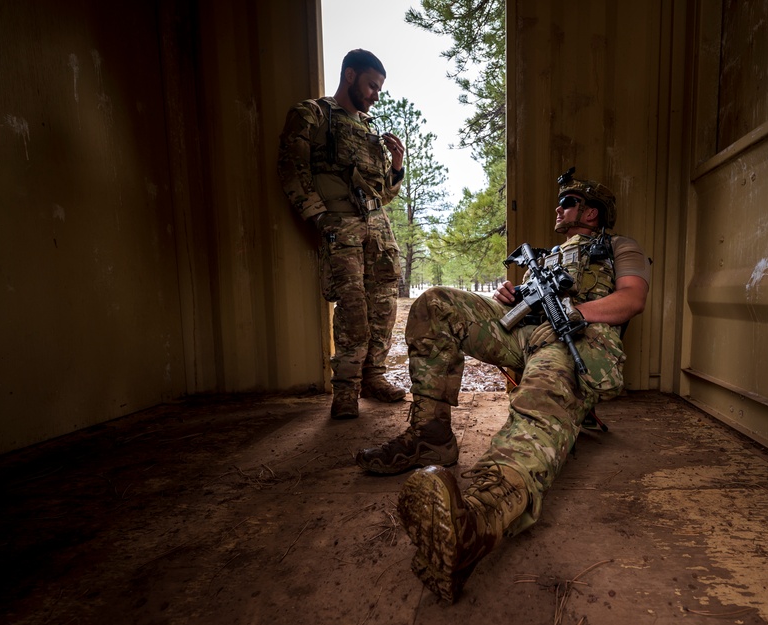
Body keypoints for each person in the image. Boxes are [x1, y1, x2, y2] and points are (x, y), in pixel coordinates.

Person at [356, 168, 651, 602]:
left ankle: (478, 520)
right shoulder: (547, 255)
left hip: (573, 337)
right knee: (436, 304)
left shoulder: (618, 246)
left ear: (590, 213)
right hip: (522, 331)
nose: (558, 207)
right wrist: (510, 299)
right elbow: (515, 307)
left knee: (538, 402)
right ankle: (430, 436)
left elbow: (632, 299)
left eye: (567, 202)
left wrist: (576, 313)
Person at [277, 49, 407, 419]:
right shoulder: (312, 114)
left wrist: (396, 166)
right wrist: (319, 217)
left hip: (377, 227)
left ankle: (374, 377)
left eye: (379, 89)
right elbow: (291, 167)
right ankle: (346, 392)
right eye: (371, 85)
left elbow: (383, 192)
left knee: (383, 304)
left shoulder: (368, 130)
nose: (375, 95)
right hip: (341, 224)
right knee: (352, 308)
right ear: (349, 75)